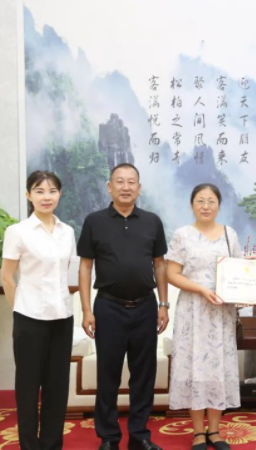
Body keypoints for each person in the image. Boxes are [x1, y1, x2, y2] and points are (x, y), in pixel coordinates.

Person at [77, 163, 169, 450]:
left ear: (139, 188)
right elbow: (85, 267)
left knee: (144, 375)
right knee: (108, 375)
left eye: (131, 182)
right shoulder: (94, 221)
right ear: (110, 187)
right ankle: (109, 437)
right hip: (108, 307)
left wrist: (163, 304)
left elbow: (159, 264)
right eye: (120, 181)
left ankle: (140, 435)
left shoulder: (152, 221)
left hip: (145, 307)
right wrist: (86, 310)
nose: (125, 187)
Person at [1, 171, 76, 450]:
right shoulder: (18, 231)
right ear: (28, 195)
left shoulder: (67, 231)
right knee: (28, 388)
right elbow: (7, 277)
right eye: (39, 191)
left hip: (62, 317)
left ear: (60, 195)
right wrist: (20, 309)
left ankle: (52, 445)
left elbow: (65, 273)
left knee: (57, 387)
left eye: (52, 191)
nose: (47, 197)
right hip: (29, 318)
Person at [166, 183, 242, 450]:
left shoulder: (230, 234)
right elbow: (171, 274)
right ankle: (198, 432)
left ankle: (215, 431)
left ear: (219, 205)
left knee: (218, 367)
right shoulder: (182, 235)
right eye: (200, 201)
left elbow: (238, 270)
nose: (206, 206)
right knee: (194, 367)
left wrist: (243, 291)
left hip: (221, 311)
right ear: (192, 205)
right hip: (193, 310)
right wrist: (200, 289)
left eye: (211, 201)